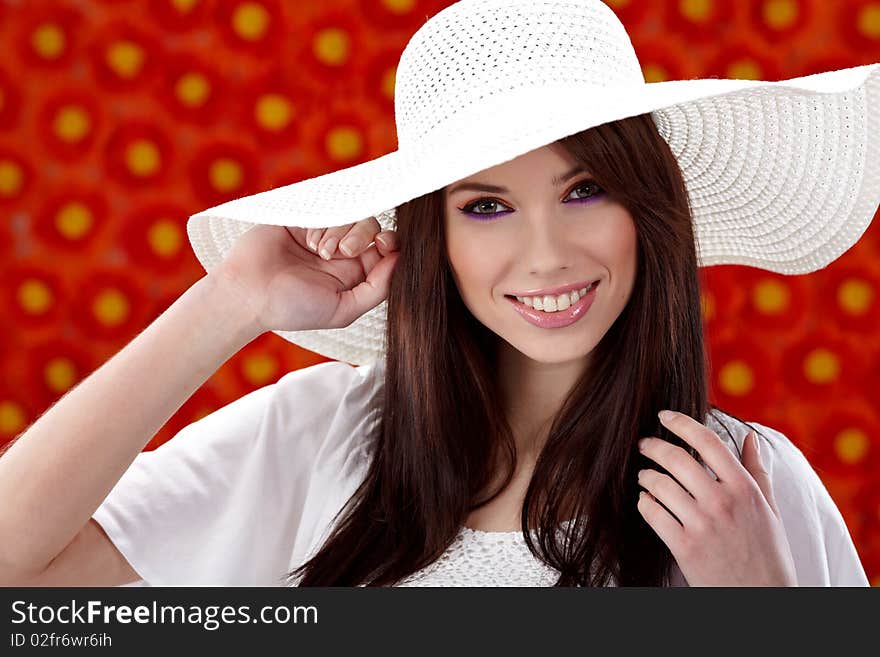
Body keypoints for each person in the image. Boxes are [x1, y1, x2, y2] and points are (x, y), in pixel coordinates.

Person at [0, 0, 876, 587]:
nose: (546, 256)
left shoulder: (745, 489)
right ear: (438, 242)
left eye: (586, 190)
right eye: (487, 206)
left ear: (651, 209)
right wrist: (231, 300)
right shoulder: (323, 438)